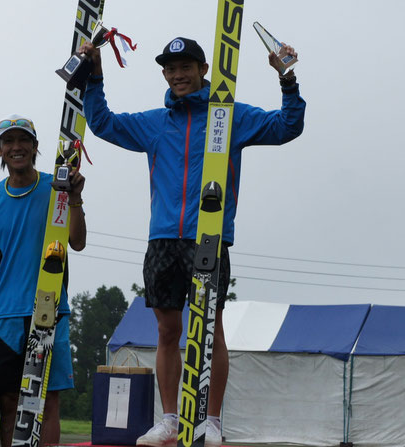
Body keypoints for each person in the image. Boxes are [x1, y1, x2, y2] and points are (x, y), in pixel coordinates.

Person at [79, 37, 305, 447]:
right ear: (164, 74)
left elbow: (288, 127)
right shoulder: (154, 122)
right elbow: (103, 124)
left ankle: (212, 420)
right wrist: (95, 75)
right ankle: (169, 419)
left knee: (209, 328)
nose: (178, 75)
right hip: (163, 238)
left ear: (203, 69)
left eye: (186, 67)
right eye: (170, 69)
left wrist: (286, 78)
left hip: (209, 238)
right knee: (167, 330)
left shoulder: (229, 117)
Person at [0, 115, 87, 446]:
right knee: (11, 404)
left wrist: (75, 198)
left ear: (36, 147)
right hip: (4, 317)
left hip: (49, 309)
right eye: (9, 142)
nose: (16, 147)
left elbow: (76, 242)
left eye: (24, 141)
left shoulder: (57, 187)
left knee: (47, 404)